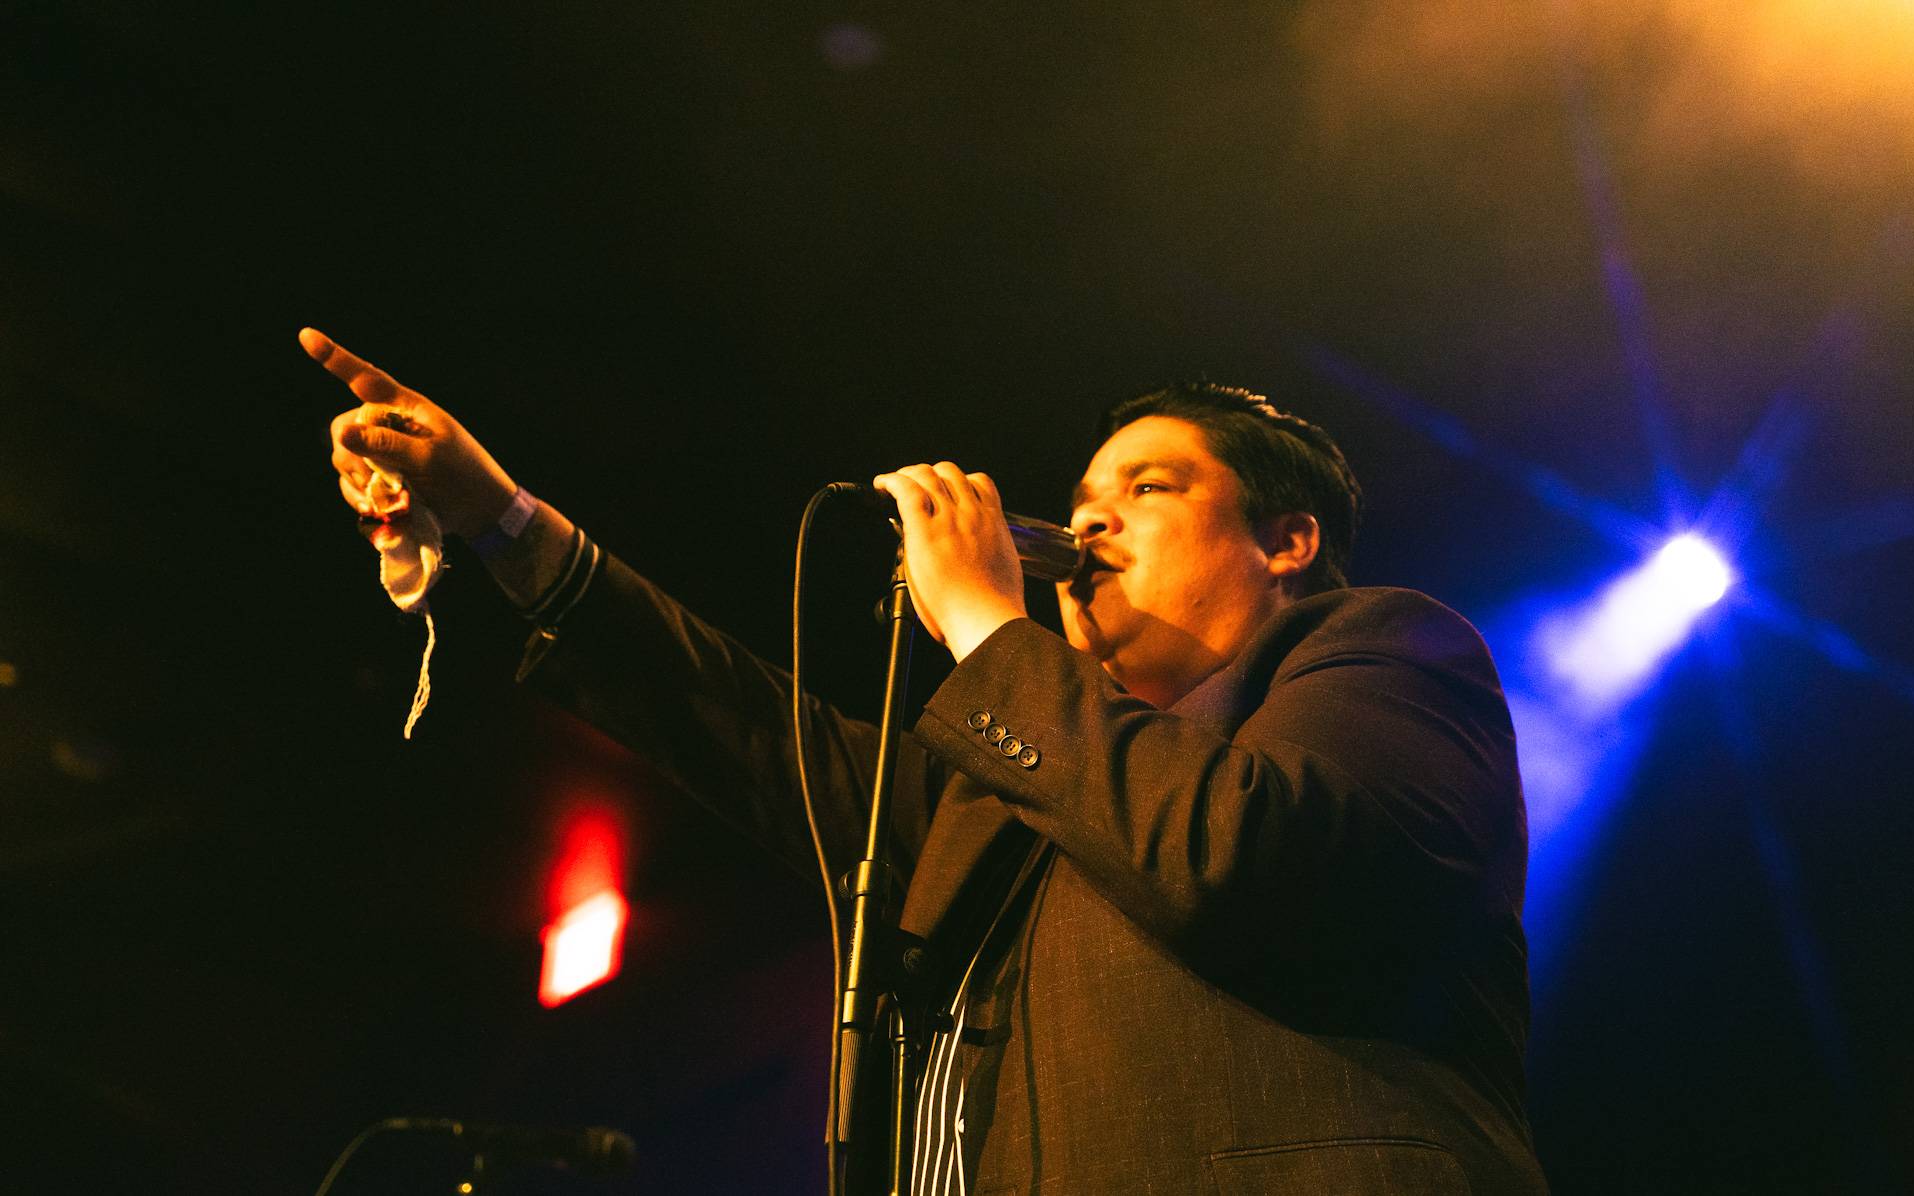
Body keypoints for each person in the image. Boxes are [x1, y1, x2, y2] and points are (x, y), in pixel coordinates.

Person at [308, 326, 1547, 1194]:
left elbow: (1239, 854)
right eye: (1084, 494)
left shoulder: (1387, 649)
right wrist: (499, 519)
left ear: (1285, 540)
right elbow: (742, 723)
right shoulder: (1011, 780)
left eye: (1147, 487)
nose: (1088, 518)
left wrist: (989, 628)